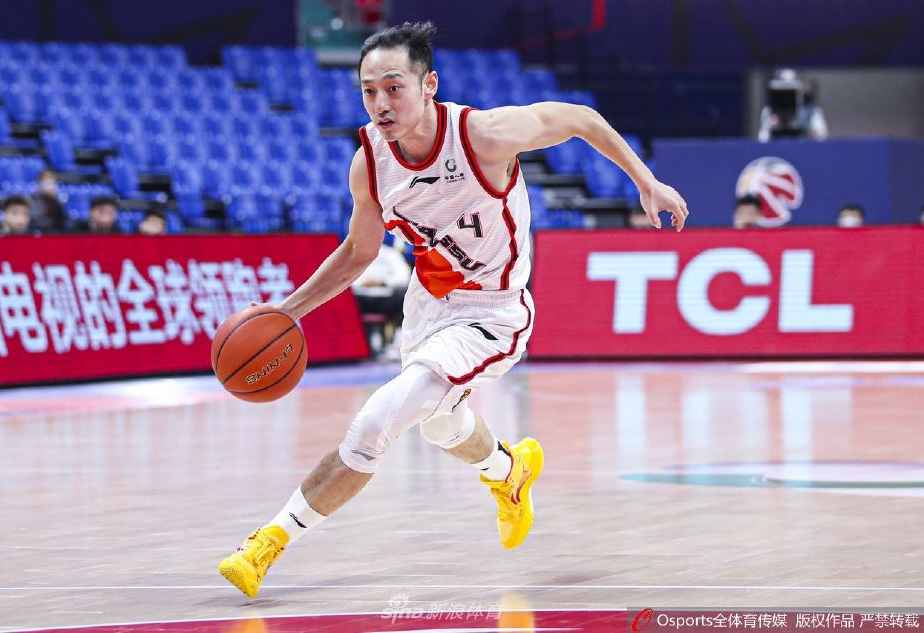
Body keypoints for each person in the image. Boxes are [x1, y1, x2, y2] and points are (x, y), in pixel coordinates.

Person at [217, 21, 690, 599]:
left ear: (429, 85)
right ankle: (510, 471)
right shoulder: (369, 162)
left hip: (492, 313)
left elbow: (580, 119)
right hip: (427, 305)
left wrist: (646, 182)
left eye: (394, 88)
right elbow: (360, 251)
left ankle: (267, 543)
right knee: (441, 424)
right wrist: (289, 311)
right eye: (369, 91)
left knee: (376, 423)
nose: (381, 104)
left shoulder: (483, 136)